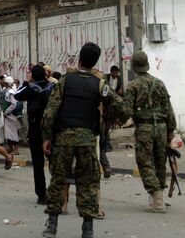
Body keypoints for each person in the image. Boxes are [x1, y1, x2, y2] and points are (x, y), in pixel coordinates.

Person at [41, 43, 126, 238]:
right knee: (88, 183)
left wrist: (46, 137)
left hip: (64, 139)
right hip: (88, 140)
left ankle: (52, 226)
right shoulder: (100, 84)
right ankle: (87, 229)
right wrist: (111, 120)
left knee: (58, 180)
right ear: (95, 63)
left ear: (78, 59)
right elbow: (120, 108)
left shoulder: (64, 81)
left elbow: (50, 112)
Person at [123, 50, 177, 213]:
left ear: (133, 66)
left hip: (144, 129)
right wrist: (170, 131)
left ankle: (157, 200)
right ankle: (158, 198)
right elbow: (168, 109)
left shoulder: (133, 86)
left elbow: (126, 111)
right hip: (161, 128)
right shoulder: (159, 83)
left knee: (145, 162)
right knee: (160, 161)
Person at [14, 65, 53, 205]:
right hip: (51, 130)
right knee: (55, 162)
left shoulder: (30, 89)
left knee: (38, 164)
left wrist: (26, 82)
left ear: (33, 76)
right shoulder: (52, 87)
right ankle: (57, 191)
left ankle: (42, 195)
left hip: (36, 130)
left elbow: (16, 94)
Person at [99, 65, 123, 178]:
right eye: (114, 73)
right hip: (105, 109)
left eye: (117, 73)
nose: (115, 75)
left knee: (104, 132)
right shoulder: (105, 80)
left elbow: (120, 92)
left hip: (110, 109)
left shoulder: (119, 80)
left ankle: (106, 145)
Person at [1, 76, 21, 155]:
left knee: (12, 132)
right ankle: (11, 148)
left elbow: (13, 104)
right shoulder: (8, 91)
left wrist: (6, 112)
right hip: (8, 115)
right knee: (9, 133)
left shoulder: (10, 92)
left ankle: (16, 150)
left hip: (10, 115)